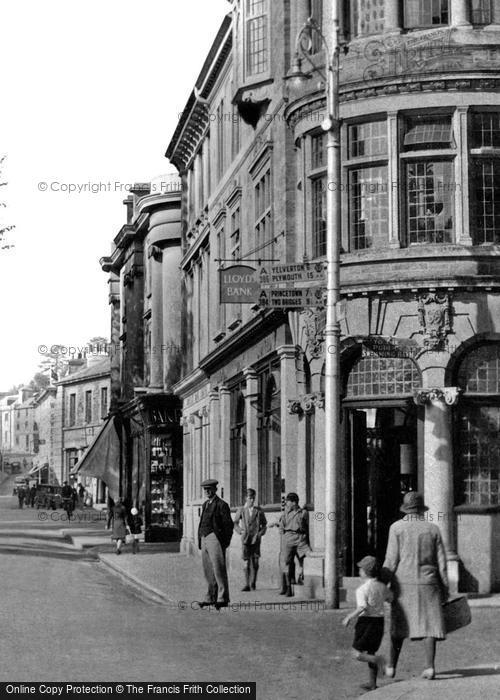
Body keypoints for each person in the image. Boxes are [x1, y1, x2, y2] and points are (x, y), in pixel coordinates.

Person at [382, 491, 449, 681]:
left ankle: (391, 666)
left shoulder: (396, 528)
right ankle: (429, 667)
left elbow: (391, 559)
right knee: (430, 626)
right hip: (429, 583)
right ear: (421, 509)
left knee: (398, 627)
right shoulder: (433, 529)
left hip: (402, 584)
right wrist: (445, 589)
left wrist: (384, 585)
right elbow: (442, 563)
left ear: (405, 509)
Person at [342, 555, 392, 692]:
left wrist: (349, 617)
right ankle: (373, 683)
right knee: (372, 650)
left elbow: (362, 607)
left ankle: (379, 660)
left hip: (366, 623)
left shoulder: (362, 589)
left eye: (360, 569)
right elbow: (390, 598)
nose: (359, 571)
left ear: (365, 572)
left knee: (356, 653)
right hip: (379, 623)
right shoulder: (382, 586)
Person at [197, 478, 234, 609]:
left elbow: (228, 525)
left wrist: (224, 542)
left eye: (209, 489)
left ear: (215, 490)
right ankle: (210, 597)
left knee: (218, 569)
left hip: (215, 538)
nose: (207, 492)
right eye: (205, 490)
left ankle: (222, 597)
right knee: (207, 570)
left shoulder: (222, 505)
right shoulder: (205, 504)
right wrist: (200, 538)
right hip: (204, 538)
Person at [270, 492, 310, 597]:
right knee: (286, 563)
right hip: (288, 538)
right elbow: (282, 528)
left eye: (288, 501)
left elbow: (306, 527)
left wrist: (305, 538)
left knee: (306, 558)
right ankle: (288, 588)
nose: (286, 503)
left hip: (300, 538)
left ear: (294, 502)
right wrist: (283, 539)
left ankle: (301, 579)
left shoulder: (303, 513)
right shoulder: (285, 513)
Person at [233, 488, 267, 591]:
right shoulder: (242, 510)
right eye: (250, 498)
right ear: (245, 498)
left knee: (255, 562)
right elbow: (235, 523)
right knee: (246, 562)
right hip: (246, 539)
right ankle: (247, 584)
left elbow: (264, 525)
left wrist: (260, 534)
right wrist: (240, 531)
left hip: (255, 539)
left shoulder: (259, 511)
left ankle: (253, 583)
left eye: (253, 498)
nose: (252, 500)